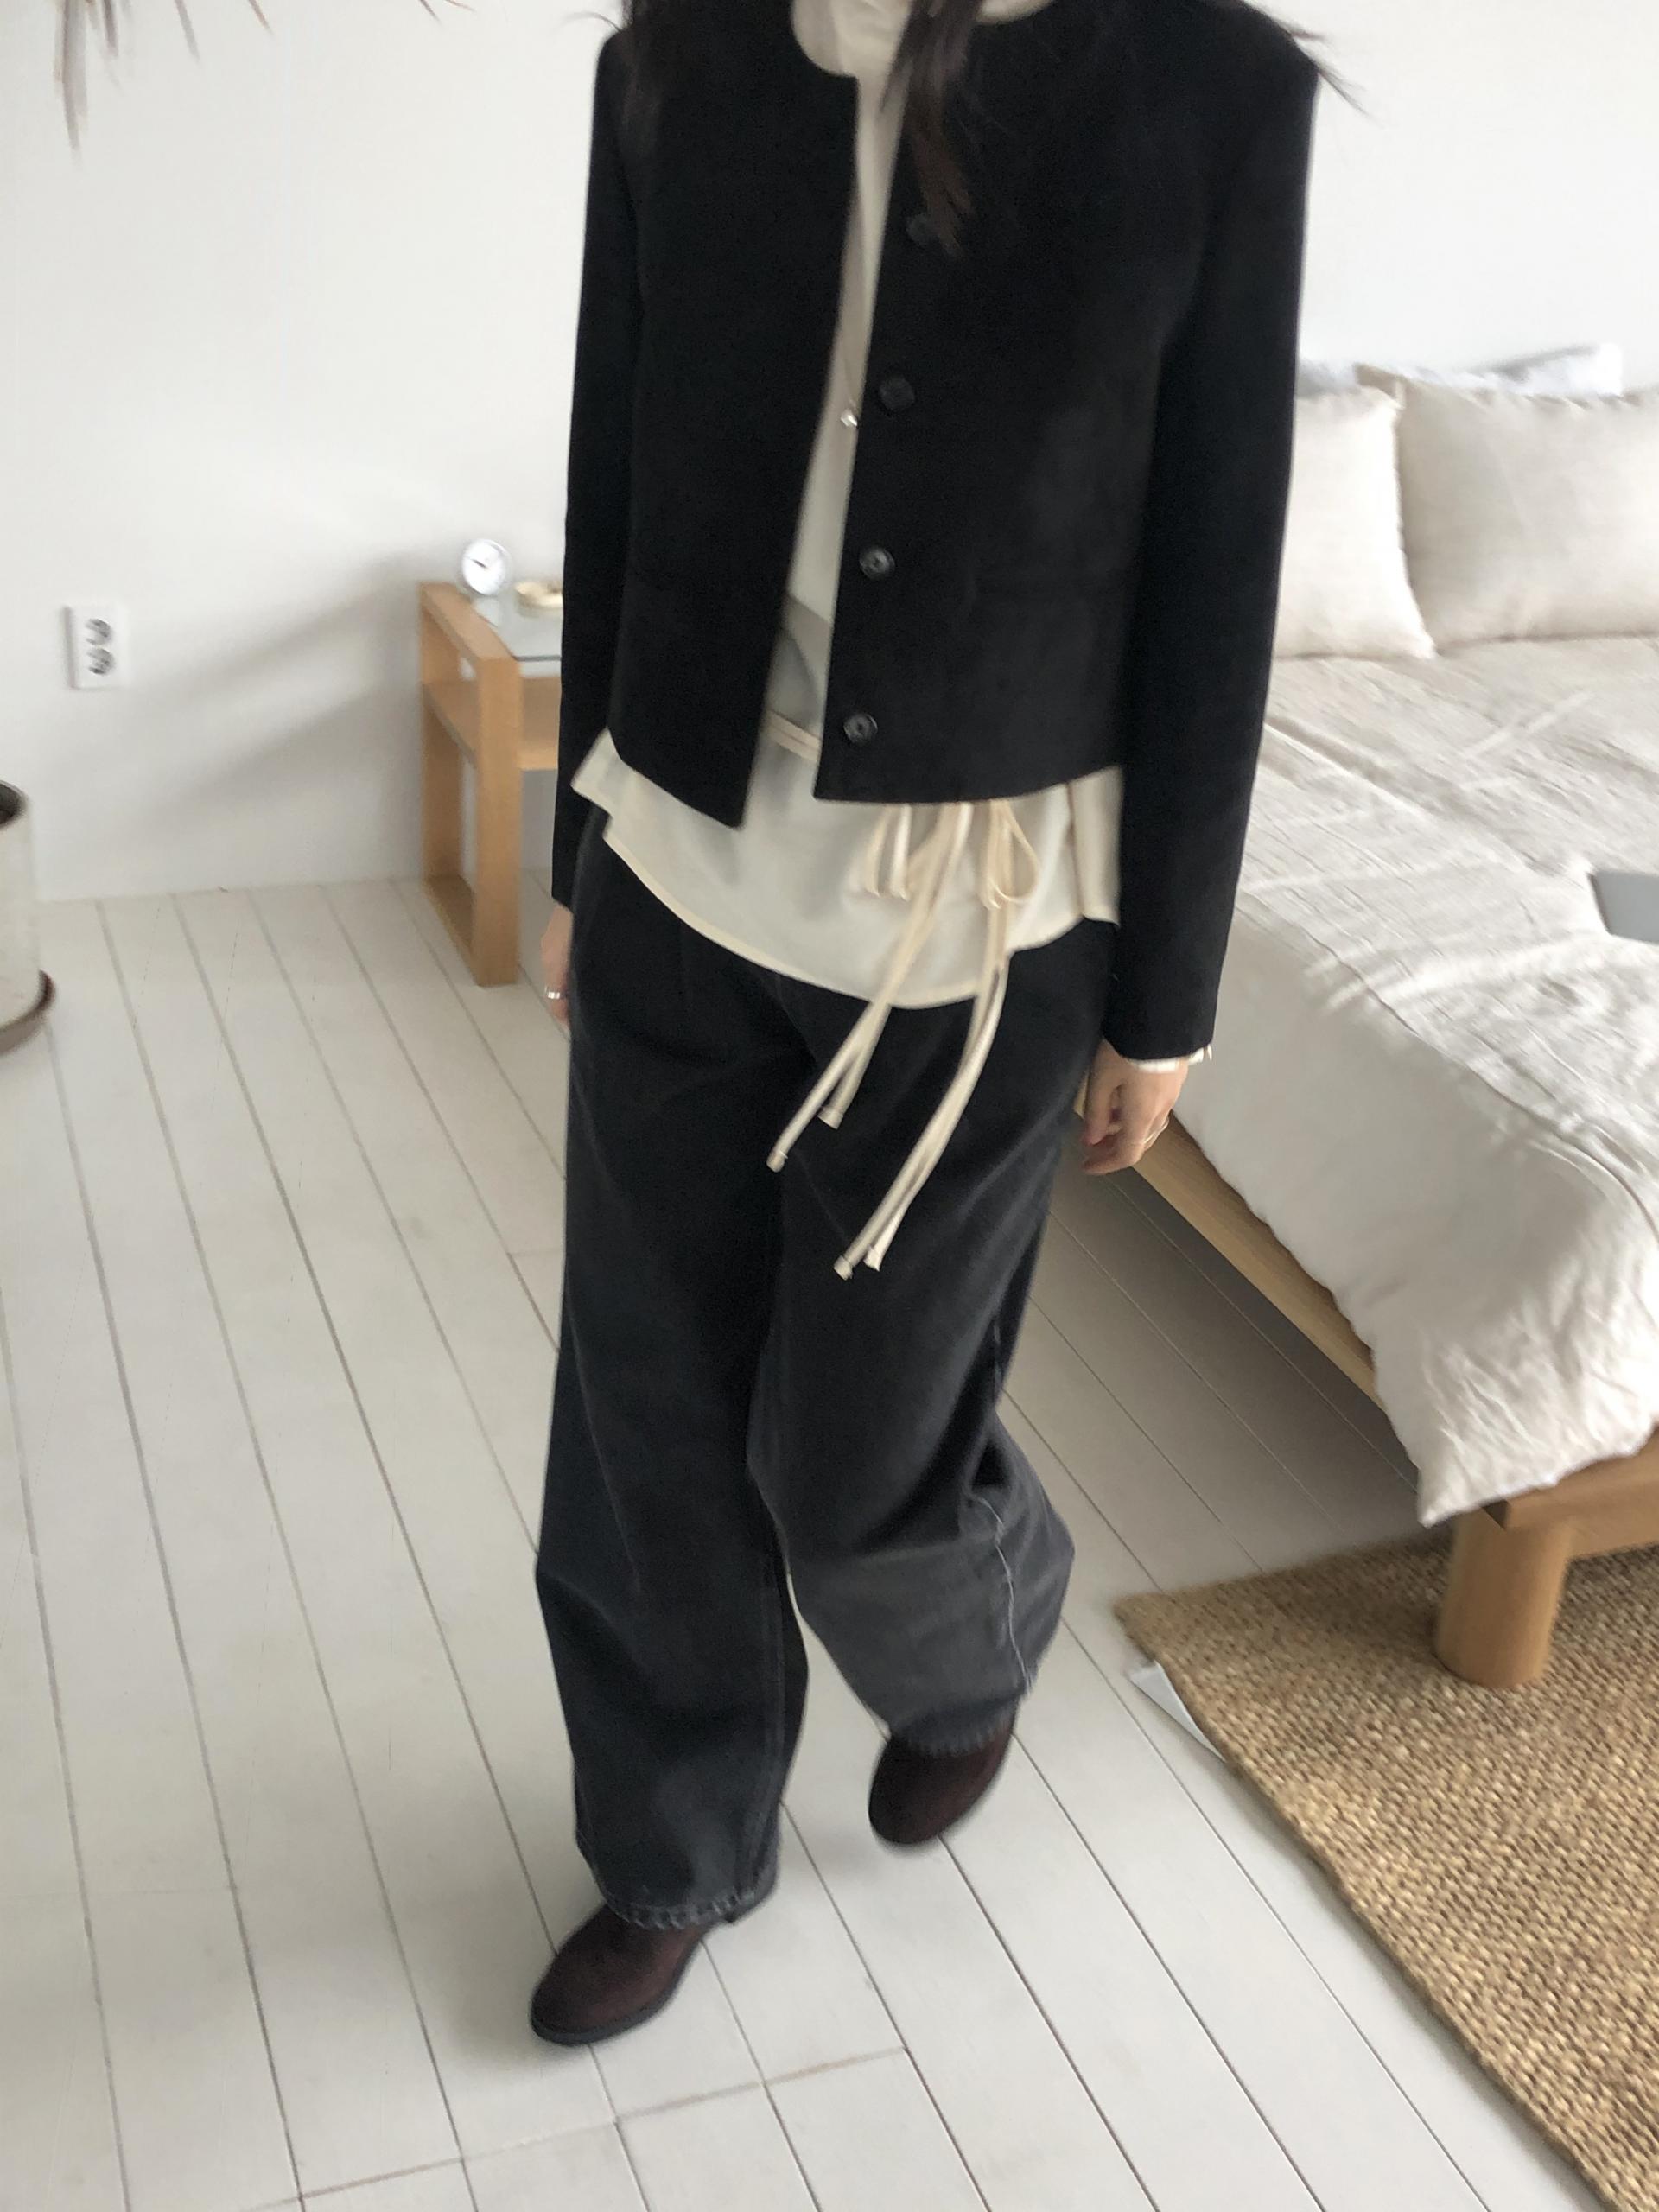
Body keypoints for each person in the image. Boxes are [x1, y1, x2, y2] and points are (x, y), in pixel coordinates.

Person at [531, 0, 1319, 2044]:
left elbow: (1219, 564)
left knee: (862, 1450)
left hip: (985, 925)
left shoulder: (1207, 90)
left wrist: (1170, 991)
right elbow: (616, 452)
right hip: (685, 860)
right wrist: (579, 848)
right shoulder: (677, 55)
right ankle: (672, 1845)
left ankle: (971, 1643)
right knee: (642, 1418)